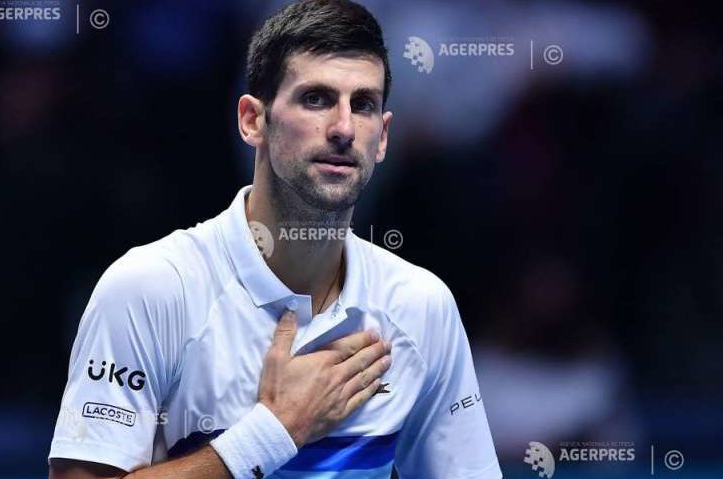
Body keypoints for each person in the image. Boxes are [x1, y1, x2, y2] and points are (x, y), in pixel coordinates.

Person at [48, 1, 501, 478]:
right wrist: (274, 431)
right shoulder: (149, 289)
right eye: (316, 99)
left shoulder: (421, 306)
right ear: (252, 120)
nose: (344, 128)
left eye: (363, 105)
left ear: (383, 137)